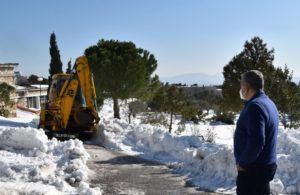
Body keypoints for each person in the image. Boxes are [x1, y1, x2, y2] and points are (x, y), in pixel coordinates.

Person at [234, 70, 279, 195]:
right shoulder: (269, 103)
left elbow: (257, 141)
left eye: (241, 85)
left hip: (253, 170)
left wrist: (243, 163)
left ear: (246, 87)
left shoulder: (255, 106)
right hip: (264, 167)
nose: (240, 88)